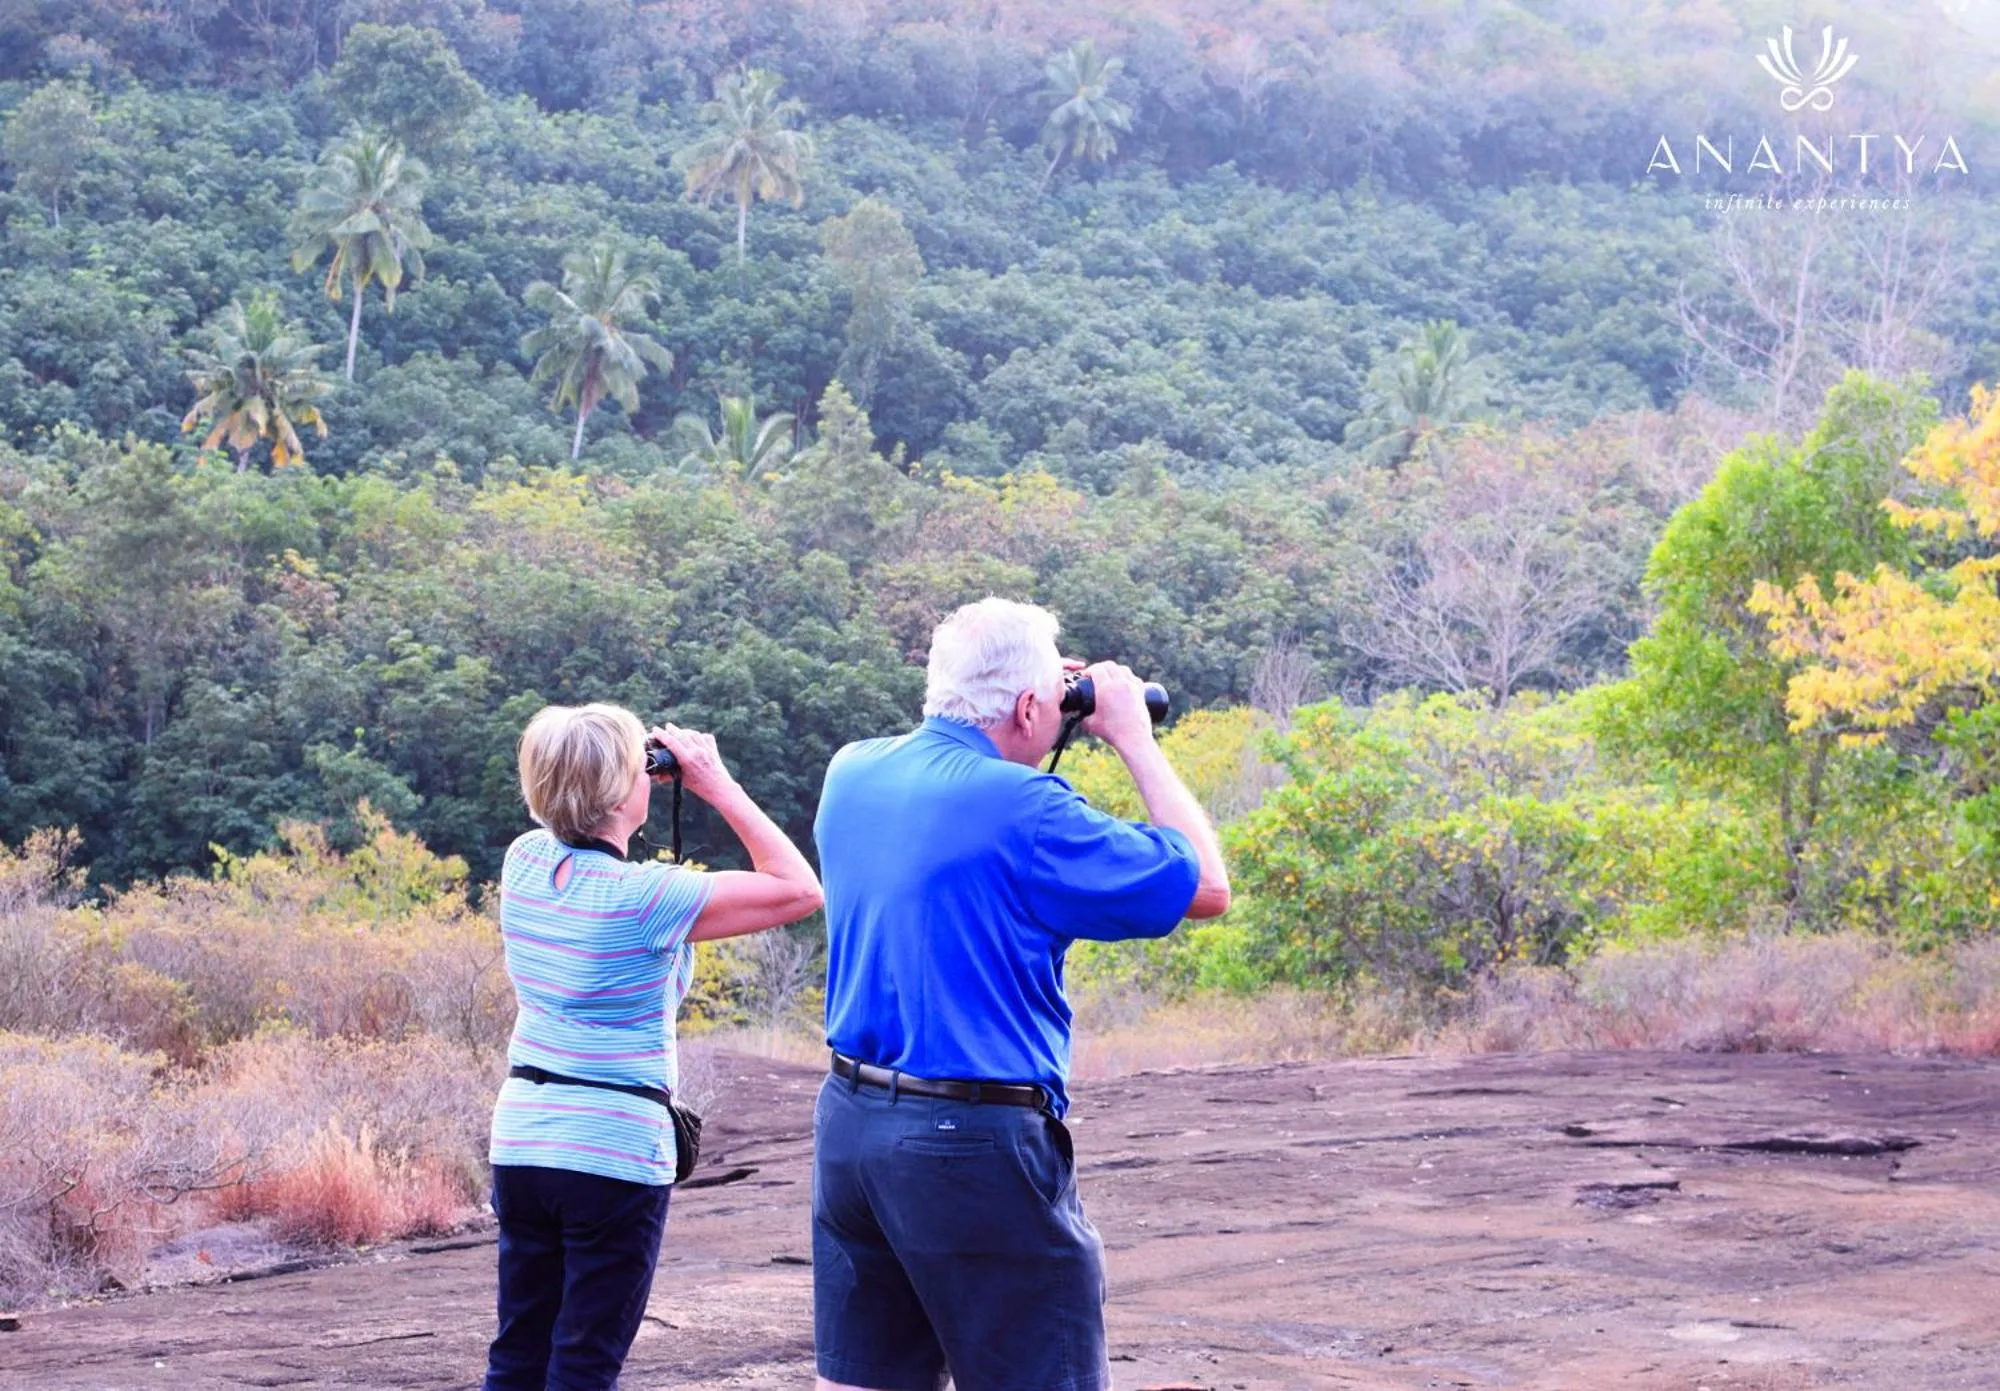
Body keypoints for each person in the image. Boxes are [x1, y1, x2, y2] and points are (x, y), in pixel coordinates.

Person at [810, 597, 1231, 1391]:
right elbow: (1206, 885)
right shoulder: (1028, 810)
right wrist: (1133, 738)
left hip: (851, 1127)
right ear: (1033, 704)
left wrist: (1037, 695)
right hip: (969, 1144)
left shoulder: (852, 770)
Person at [482, 702, 823, 1391]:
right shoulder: (645, 898)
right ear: (620, 792)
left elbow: (571, 823)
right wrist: (713, 780)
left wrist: (608, 769)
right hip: (611, 1153)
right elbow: (798, 888)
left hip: (523, 1141)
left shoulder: (524, 862)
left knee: (519, 1353)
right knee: (584, 1362)